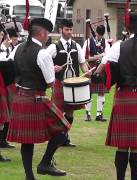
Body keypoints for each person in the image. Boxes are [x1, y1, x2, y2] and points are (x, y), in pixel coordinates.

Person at [96, 11, 137, 180]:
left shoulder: (118, 46)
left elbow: (102, 70)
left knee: (122, 146)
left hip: (122, 98)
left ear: (126, 27)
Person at [6, 18, 71, 180]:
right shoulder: (42, 53)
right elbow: (50, 82)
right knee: (63, 128)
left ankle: (30, 176)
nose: (48, 36)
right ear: (42, 33)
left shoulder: (17, 49)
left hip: (20, 97)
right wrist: (52, 69)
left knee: (27, 141)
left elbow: (10, 68)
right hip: (36, 98)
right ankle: (45, 163)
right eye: (47, 33)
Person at [47, 19, 90, 147]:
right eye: (67, 29)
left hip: (73, 84)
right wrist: (52, 68)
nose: (69, 32)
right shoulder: (53, 47)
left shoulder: (76, 46)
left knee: (70, 112)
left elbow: (82, 63)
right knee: (58, 113)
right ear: (61, 30)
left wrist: (87, 72)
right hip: (60, 83)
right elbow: (44, 63)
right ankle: (56, 138)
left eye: (71, 30)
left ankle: (64, 137)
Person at [83, 25, 110, 121]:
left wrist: (102, 57)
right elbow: (84, 58)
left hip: (101, 69)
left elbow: (108, 57)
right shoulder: (88, 42)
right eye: (99, 35)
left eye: (102, 36)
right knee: (88, 92)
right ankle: (88, 114)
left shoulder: (105, 42)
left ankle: (99, 114)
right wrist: (97, 57)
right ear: (96, 33)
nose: (100, 38)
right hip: (90, 68)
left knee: (101, 92)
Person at [0, 28, 19, 148]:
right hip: (4, 84)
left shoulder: (7, 49)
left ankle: (2, 140)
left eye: (2, 34)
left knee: (6, 114)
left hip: (6, 84)